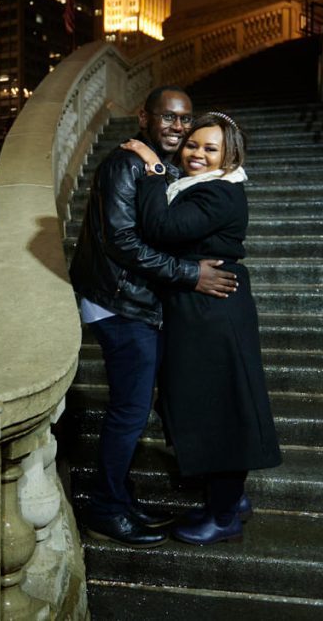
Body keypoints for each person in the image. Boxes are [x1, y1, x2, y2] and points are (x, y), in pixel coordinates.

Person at [68, 87, 238, 548]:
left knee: (137, 407)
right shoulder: (123, 164)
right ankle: (106, 508)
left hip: (142, 302)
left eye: (184, 120)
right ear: (144, 117)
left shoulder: (154, 167)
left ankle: (121, 498)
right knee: (129, 411)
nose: (177, 128)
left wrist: (161, 168)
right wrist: (189, 275)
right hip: (120, 303)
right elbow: (122, 241)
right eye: (168, 118)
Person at [121, 111, 282, 545]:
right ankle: (231, 498)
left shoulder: (219, 192)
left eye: (210, 149)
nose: (196, 153)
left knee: (220, 407)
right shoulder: (203, 187)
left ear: (229, 158)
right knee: (206, 401)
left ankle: (224, 514)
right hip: (202, 305)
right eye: (193, 144)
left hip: (213, 310)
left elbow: (162, 227)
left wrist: (154, 171)